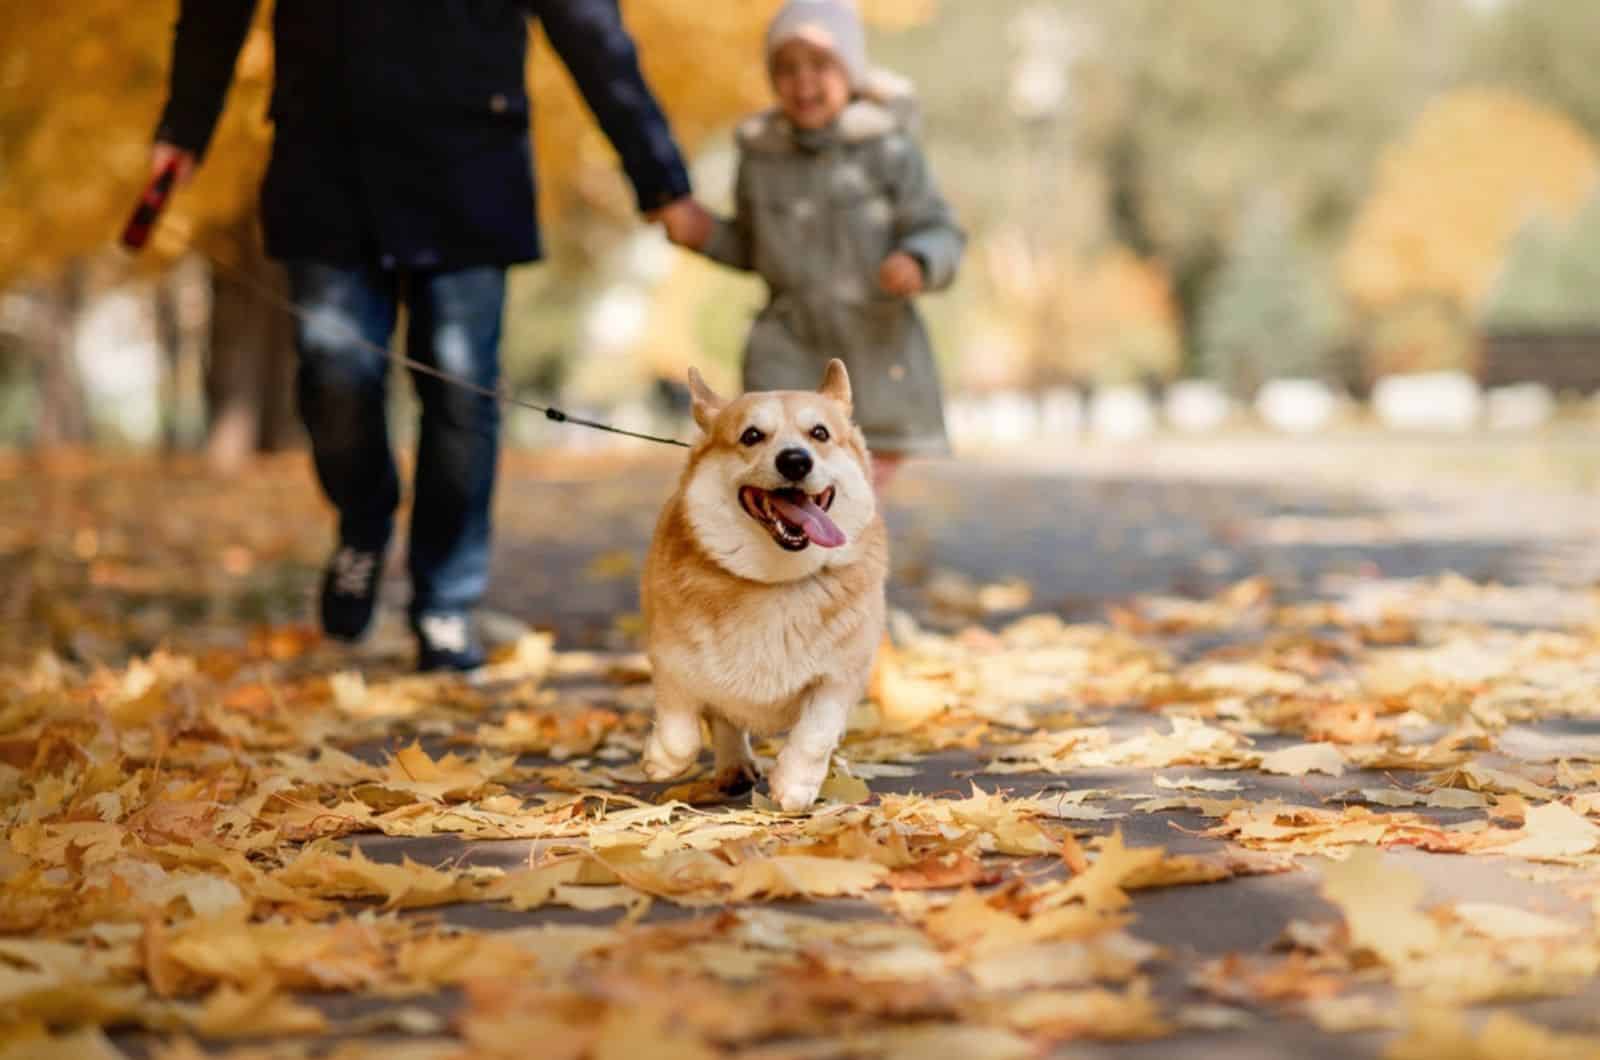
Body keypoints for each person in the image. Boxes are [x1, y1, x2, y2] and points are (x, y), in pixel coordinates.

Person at [152, 0, 703, 671]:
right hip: (326, 163)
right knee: (333, 371)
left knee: (462, 395)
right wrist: (184, 127)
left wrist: (660, 177)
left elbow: (589, 28)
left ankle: (446, 600)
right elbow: (215, 12)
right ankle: (364, 520)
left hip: (469, 166)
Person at [659, 0, 964, 490]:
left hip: (874, 348)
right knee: (782, 476)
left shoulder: (889, 147)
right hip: (789, 346)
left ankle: (845, 564)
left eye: (820, 65)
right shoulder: (760, 155)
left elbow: (940, 228)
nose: (803, 82)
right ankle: (797, 563)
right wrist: (705, 232)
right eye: (786, 68)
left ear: (851, 69)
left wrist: (919, 260)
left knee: (855, 488)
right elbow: (752, 246)